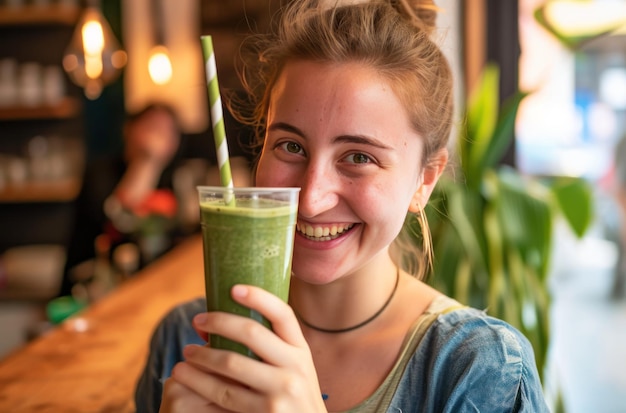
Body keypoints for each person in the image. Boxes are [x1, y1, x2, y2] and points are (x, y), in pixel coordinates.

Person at [135, 0, 550, 412]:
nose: (312, 199)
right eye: (291, 146)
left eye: (359, 157)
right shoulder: (185, 339)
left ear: (425, 179)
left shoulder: (481, 370)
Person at [58, 104, 182, 298]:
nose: (160, 136)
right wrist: (147, 160)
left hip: (146, 290)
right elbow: (119, 219)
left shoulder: (171, 179)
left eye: (169, 131)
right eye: (152, 127)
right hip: (88, 290)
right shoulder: (101, 172)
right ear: (128, 129)